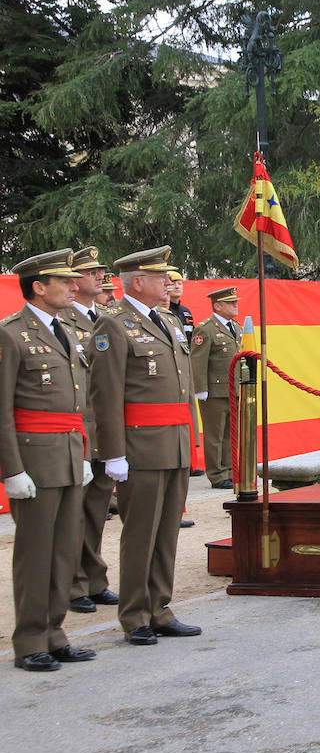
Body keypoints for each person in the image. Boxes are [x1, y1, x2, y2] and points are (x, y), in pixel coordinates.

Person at [89, 245, 201, 645]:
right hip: (139, 445)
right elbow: (106, 394)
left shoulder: (169, 320)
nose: (169, 283)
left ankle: (160, 607)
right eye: (160, 277)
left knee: (167, 529)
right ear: (138, 282)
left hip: (173, 441)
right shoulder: (114, 324)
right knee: (141, 532)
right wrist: (113, 452)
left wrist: (191, 439)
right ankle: (135, 613)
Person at [2, 249, 98, 671]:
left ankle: (55, 633)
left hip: (69, 452)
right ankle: (29, 641)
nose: (73, 286)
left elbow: (78, 402)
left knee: (64, 550)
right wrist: (11, 469)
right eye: (63, 281)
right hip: (34, 458)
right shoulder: (10, 334)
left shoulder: (68, 331)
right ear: (38, 287)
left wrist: (86, 452)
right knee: (35, 552)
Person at [62, 246, 119, 615]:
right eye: (90, 272)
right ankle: (72, 583)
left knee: (97, 508)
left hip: (104, 426)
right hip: (77, 427)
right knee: (74, 512)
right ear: (72, 282)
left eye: (100, 271)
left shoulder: (107, 317)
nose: (99, 276)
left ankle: (93, 577)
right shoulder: (62, 322)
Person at [190, 288, 242, 490]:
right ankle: (216, 474)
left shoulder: (235, 327)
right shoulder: (206, 329)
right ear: (217, 306)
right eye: (230, 303)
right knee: (215, 435)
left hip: (233, 389)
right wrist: (201, 388)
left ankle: (229, 470)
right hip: (214, 391)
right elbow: (198, 360)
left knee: (231, 433)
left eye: (235, 302)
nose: (235, 305)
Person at [165, 270, 195, 335]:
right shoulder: (162, 310)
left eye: (179, 283)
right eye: (173, 284)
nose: (177, 287)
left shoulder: (186, 312)